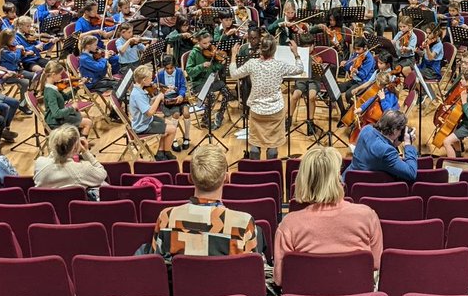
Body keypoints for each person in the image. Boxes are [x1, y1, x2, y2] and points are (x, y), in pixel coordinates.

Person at [274, 146, 382, 286]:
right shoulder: (367, 216)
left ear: (303, 180)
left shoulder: (289, 224)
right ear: (338, 179)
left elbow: (280, 279)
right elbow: (376, 264)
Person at [151, 144, 259, 258]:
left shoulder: (166, 218)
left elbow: (156, 263)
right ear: (226, 178)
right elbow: (253, 266)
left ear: (190, 178)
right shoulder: (243, 224)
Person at [229, 34, 300, 160]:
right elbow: (300, 69)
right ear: (274, 50)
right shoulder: (280, 65)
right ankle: (271, 168)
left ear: (261, 48)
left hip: (257, 111)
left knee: (255, 144)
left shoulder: (252, 64)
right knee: (273, 145)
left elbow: (234, 74)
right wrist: (295, 53)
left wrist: (234, 55)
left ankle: (256, 169)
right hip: (275, 111)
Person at [345, 109, 418, 183]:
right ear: (394, 130)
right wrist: (408, 144)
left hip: (348, 180)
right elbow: (411, 173)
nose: (400, 134)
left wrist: (395, 143)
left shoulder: (366, 129)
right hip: (365, 185)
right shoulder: (387, 151)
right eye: (400, 131)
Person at [33, 125, 108, 193]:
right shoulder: (82, 169)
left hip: (46, 203)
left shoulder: (39, 162)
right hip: (72, 203)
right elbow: (102, 175)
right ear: (75, 148)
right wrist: (86, 152)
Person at [127, 65, 179, 161]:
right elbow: (150, 112)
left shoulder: (139, 89)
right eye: (150, 78)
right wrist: (158, 98)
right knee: (172, 129)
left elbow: (147, 104)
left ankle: (160, 153)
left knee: (170, 124)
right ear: (143, 80)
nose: (152, 80)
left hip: (147, 120)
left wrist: (157, 97)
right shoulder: (137, 95)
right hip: (142, 125)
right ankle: (167, 152)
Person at [441, 68, 468, 158]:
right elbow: (460, 106)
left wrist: (464, 101)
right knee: (452, 131)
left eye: (462, 79)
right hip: (465, 123)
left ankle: (452, 163)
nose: (460, 80)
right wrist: (450, 107)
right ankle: (458, 156)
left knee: (446, 142)